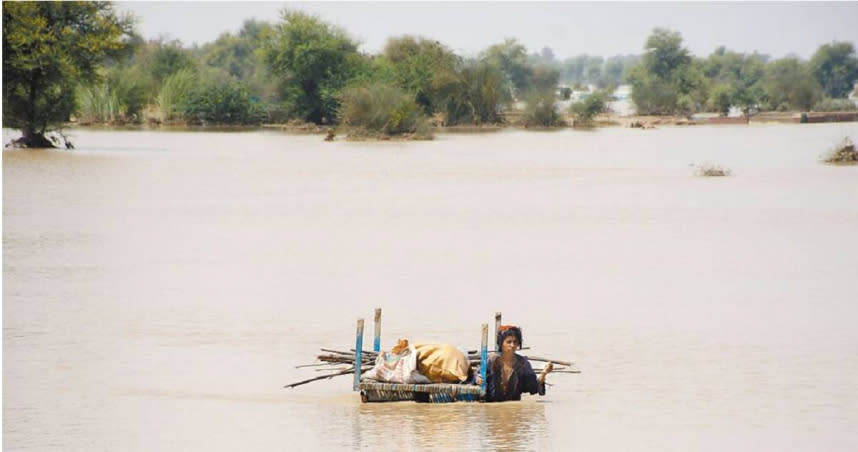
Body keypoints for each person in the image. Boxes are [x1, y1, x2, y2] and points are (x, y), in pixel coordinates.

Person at [474, 325, 553, 402]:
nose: (512, 345)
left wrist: (543, 374)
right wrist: (478, 378)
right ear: (501, 343)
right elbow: (476, 376)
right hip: (491, 406)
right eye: (509, 342)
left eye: (515, 342)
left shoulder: (523, 364)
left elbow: (534, 387)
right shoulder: (490, 361)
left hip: (513, 408)